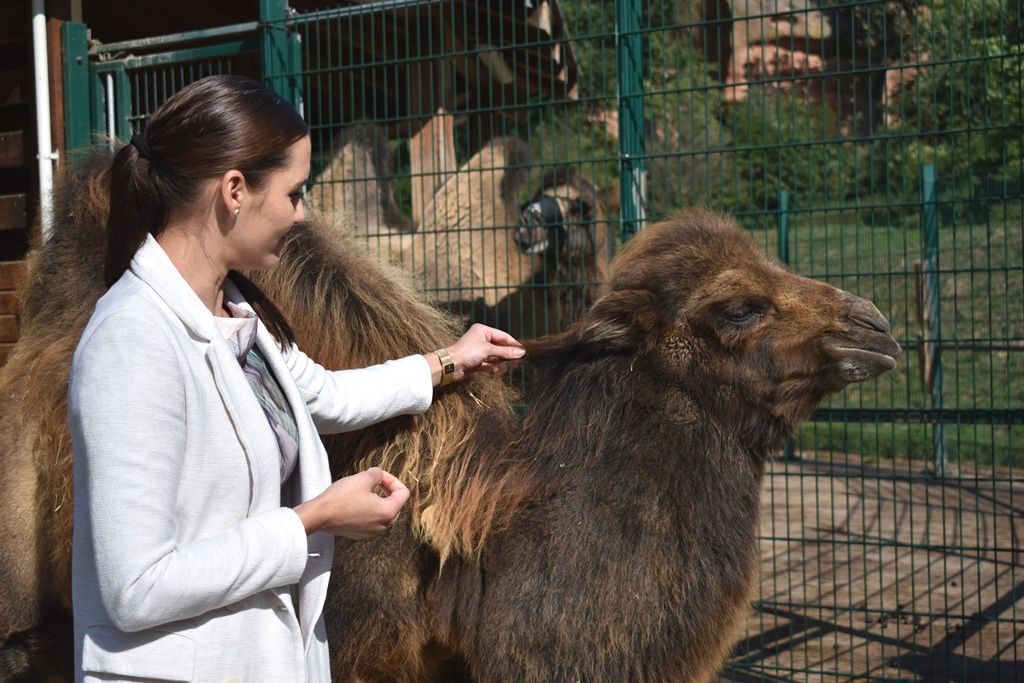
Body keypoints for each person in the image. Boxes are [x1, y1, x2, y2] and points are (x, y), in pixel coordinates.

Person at [68, 74, 524, 682]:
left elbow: (324, 395)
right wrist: (315, 519)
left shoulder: (234, 313)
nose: (302, 215)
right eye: (294, 193)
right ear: (234, 190)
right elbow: (136, 587)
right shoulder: (132, 340)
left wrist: (448, 361)